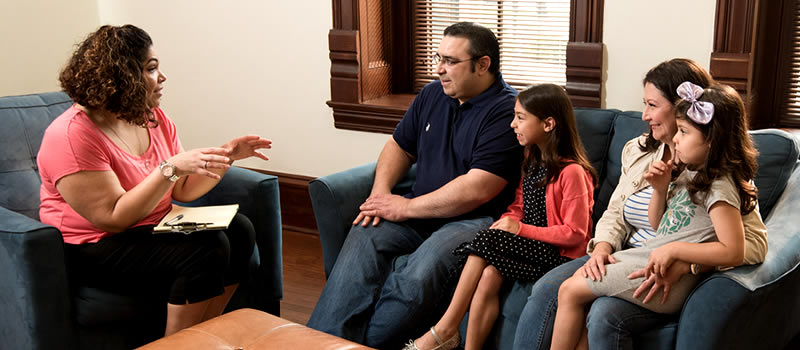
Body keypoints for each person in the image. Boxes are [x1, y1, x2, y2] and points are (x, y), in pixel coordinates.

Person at [511, 59, 768, 350]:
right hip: (631, 253)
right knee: (549, 288)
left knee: (583, 299)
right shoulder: (651, 156)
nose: (644, 115)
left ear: (682, 107)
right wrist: (604, 246)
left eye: (652, 105)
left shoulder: (718, 177)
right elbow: (626, 214)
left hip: (661, 265)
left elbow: (747, 245)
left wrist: (686, 261)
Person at [37, 24, 272, 336]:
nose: (162, 77)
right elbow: (113, 218)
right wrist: (169, 168)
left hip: (152, 229)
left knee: (240, 229)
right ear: (123, 76)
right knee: (206, 247)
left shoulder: (151, 117)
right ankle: (174, 345)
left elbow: (184, 191)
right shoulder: (71, 136)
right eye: (151, 68)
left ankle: (206, 335)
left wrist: (227, 156)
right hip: (94, 246)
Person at [307, 22, 523, 348]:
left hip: (476, 221)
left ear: (483, 65)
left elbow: (479, 188)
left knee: (422, 271)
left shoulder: (508, 111)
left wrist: (406, 206)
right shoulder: (433, 94)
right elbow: (399, 146)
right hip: (417, 208)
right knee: (365, 230)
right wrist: (381, 192)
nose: (439, 69)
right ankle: (320, 344)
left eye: (450, 61)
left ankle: (364, 345)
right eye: (439, 58)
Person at [403, 84, 597, 350]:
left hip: (560, 255)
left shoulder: (572, 172)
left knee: (486, 242)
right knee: (489, 275)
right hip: (531, 247)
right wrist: (506, 222)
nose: (512, 124)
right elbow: (520, 205)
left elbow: (576, 234)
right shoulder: (532, 159)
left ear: (548, 124)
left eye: (520, 117)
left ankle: (445, 329)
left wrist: (517, 229)